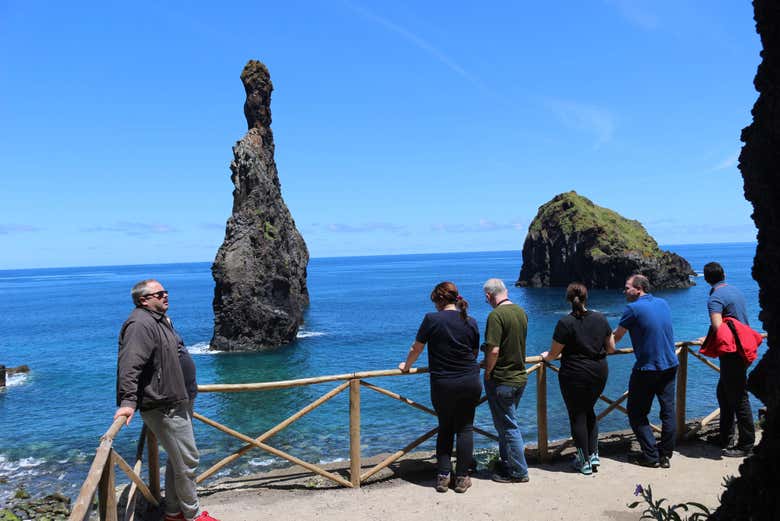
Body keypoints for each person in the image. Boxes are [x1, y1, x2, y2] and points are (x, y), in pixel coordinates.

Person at [114, 280, 218, 521]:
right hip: (164, 404)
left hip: (177, 399)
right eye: (159, 294)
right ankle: (193, 515)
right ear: (143, 300)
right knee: (188, 460)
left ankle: (174, 512)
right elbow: (129, 365)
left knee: (178, 460)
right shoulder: (140, 324)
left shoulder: (160, 320)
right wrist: (128, 402)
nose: (165, 296)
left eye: (166, 292)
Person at [399, 281, 481, 494]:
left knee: (445, 427)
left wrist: (406, 366)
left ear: (439, 300)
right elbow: (474, 353)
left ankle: (443, 477)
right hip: (470, 380)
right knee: (465, 428)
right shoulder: (470, 321)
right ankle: (462, 477)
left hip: (443, 383)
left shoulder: (432, 319)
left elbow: (416, 348)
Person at [541, 282, 615, 475]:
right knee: (589, 410)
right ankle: (594, 455)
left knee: (577, 415)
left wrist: (545, 357)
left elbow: (554, 353)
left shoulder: (565, 323)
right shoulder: (600, 318)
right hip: (599, 372)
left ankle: (584, 462)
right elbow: (611, 348)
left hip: (575, 374)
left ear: (568, 299)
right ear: (586, 297)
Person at [613, 274, 678, 469]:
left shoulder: (632, 308)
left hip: (648, 368)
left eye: (627, 288)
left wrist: (601, 346)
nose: (624, 291)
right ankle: (665, 455)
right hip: (670, 364)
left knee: (636, 413)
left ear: (638, 289)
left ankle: (651, 456)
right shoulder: (663, 303)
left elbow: (617, 336)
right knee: (668, 412)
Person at [701, 261, 756, 457]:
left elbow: (719, 327)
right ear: (723, 274)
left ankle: (746, 444)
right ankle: (725, 436)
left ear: (706, 279)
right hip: (743, 347)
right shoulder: (735, 291)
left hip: (732, 352)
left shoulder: (715, 298)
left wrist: (707, 340)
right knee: (724, 394)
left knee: (739, 397)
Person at [481, 278, 531, 484]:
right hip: (519, 376)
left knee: (508, 426)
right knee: (505, 424)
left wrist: (487, 371)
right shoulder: (521, 312)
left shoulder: (496, 315)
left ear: (488, 296)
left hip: (502, 378)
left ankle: (519, 472)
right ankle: (507, 462)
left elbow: (494, 350)